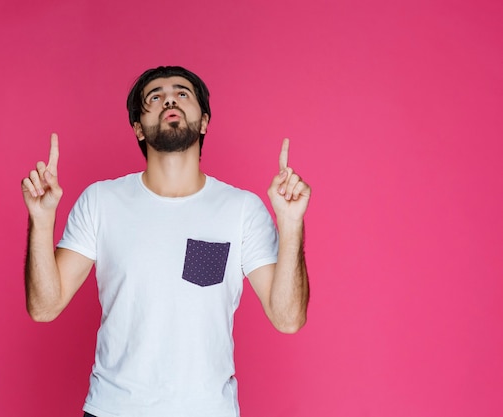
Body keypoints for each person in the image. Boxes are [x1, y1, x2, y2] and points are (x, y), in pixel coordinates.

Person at [21, 66, 311, 417]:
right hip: (113, 409)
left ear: (204, 122)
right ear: (138, 128)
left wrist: (292, 224)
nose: (169, 99)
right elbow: (44, 307)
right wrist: (41, 218)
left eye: (182, 93)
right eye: (154, 97)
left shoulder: (242, 209)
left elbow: (288, 318)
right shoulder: (101, 201)